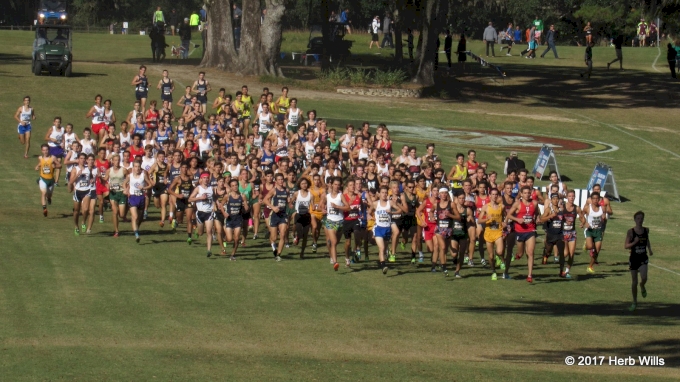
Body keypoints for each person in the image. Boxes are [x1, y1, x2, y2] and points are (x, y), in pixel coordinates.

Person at [507, 186, 541, 282]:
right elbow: (509, 215)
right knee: (521, 253)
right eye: (525, 193)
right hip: (519, 231)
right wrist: (517, 219)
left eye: (528, 193)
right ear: (521, 194)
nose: (527, 194)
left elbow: (537, 213)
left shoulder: (534, 203)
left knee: (530, 252)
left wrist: (537, 218)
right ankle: (518, 254)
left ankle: (530, 275)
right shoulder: (517, 204)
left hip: (530, 231)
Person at [625, 211, 653, 312]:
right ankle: (634, 302)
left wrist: (649, 249)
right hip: (634, 259)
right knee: (634, 282)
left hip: (643, 258)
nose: (640, 220)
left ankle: (642, 285)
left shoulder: (646, 230)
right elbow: (626, 246)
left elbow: (647, 239)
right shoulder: (631, 232)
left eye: (641, 218)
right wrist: (634, 242)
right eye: (638, 218)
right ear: (635, 220)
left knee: (644, 278)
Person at [321, 177, 350, 270]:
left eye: (338, 185)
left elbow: (348, 207)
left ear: (340, 185)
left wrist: (337, 207)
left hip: (340, 221)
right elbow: (321, 205)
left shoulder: (340, 196)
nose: (337, 186)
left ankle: (332, 256)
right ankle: (335, 262)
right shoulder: (327, 196)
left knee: (335, 242)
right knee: (333, 242)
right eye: (335, 184)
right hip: (330, 221)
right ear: (331, 185)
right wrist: (323, 210)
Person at [477, 188, 504, 280]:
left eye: (496, 194)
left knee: (500, 251)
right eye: (493, 194)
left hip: (498, 232)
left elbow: (505, 217)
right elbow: (479, 220)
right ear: (490, 195)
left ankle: (499, 257)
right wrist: (486, 219)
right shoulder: (486, 207)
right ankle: (493, 271)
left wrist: (505, 223)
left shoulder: (501, 207)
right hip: (488, 233)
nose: (494, 196)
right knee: (491, 256)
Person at [123, 159, 153, 242]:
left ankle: (136, 228)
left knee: (139, 218)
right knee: (135, 216)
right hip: (132, 197)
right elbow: (124, 183)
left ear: (140, 167)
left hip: (141, 198)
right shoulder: (130, 176)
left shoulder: (143, 175)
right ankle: (136, 235)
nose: (137, 168)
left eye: (138, 166)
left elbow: (150, 185)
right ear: (133, 167)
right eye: (135, 166)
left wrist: (144, 188)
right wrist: (126, 190)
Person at [262, 173, 289, 261]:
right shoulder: (274, 190)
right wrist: (273, 207)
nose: (281, 181)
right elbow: (265, 200)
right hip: (274, 215)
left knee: (283, 234)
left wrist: (291, 202)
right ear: (276, 181)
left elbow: (288, 201)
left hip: (283, 215)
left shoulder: (286, 190)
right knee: (274, 237)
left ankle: (278, 254)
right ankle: (273, 246)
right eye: (279, 179)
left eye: (282, 179)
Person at [221, 179, 249, 260]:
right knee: (229, 239)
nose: (235, 187)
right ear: (230, 187)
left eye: (236, 185)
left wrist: (246, 207)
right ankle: (224, 238)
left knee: (236, 238)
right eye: (233, 185)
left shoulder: (242, 196)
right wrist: (224, 213)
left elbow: (246, 205)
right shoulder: (227, 196)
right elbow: (221, 205)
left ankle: (233, 255)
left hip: (238, 219)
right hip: (229, 219)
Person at [189, 172, 215, 257]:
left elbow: (215, 198)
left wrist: (215, 205)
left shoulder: (212, 188)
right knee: (201, 233)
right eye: (204, 178)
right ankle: (197, 231)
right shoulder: (198, 188)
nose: (206, 179)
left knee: (209, 231)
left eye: (207, 178)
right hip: (200, 213)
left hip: (209, 213)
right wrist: (200, 198)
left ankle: (209, 250)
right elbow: (190, 199)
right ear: (201, 179)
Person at [369, 186, 392, 274]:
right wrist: (370, 217)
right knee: (381, 247)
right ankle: (383, 266)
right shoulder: (375, 204)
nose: (384, 194)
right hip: (378, 228)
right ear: (379, 194)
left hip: (387, 229)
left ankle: (382, 261)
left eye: (386, 192)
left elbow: (401, 210)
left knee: (384, 248)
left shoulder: (390, 203)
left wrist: (392, 212)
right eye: (382, 192)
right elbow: (369, 211)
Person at [581, 191, 606, 274]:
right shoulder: (588, 208)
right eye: (594, 198)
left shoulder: (602, 208)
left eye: (597, 198)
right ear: (591, 200)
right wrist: (584, 223)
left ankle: (590, 266)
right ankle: (586, 245)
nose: (595, 200)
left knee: (597, 250)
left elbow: (604, 220)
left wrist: (603, 220)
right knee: (590, 246)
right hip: (590, 230)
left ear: (599, 199)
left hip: (598, 230)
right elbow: (581, 215)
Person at [104, 153, 127, 237]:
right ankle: (116, 231)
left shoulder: (123, 170)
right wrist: (107, 185)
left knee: (121, 215)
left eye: (118, 160)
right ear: (112, 161)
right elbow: (105, 180)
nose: (117, 162)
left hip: (121, 193)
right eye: (115, 160)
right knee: (115, 212)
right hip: (113, 193)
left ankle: (126, 207)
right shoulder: (109, 170)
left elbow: (128, 178)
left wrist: (126, 188)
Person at [36, 143, 61, 217]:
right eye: (43, 150)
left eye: (46, 150)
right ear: (41, 151)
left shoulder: (53, 158)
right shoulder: (40, 157)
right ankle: (44, 209)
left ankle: (49, 198)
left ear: (49, 150)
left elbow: (60, 165)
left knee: (49, 195)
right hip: (43, 179)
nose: (45, 151)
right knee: (44, 193)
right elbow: (41, 163)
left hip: (51, 180)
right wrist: (37, 166)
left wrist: (55, 166)